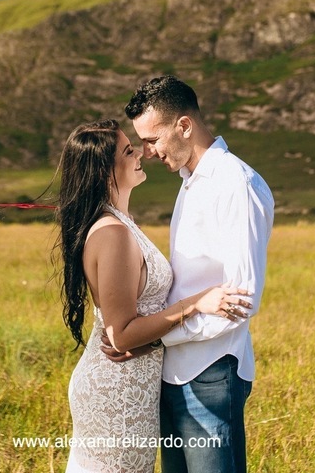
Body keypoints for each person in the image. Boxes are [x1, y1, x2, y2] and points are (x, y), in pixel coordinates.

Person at [55, 119, 250, 473]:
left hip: (133, 385)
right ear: (104, 173)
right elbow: (121, 334)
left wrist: (159, 341)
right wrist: (196, 303)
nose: (141, 155)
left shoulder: (122, 222)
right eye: (128, 152)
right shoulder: (112, 233)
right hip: (117, 392)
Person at [118, 75, 274, 473]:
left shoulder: (235, 184)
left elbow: (241, 300)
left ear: (184, 126)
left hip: (212, 373)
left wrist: (156, 336)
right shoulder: (191, 182)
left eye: (152, 140)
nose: (148, 152)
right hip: (173, 372)